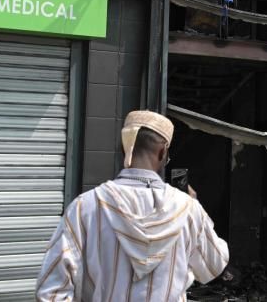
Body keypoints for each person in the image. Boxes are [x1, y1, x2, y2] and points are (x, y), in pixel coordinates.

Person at [35, 110, 229, 301]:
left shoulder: (85, 207)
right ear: (163, 152)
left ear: (123, 148)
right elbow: (213, 265)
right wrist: (194, 204)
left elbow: (51, 292)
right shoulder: (189, 210)